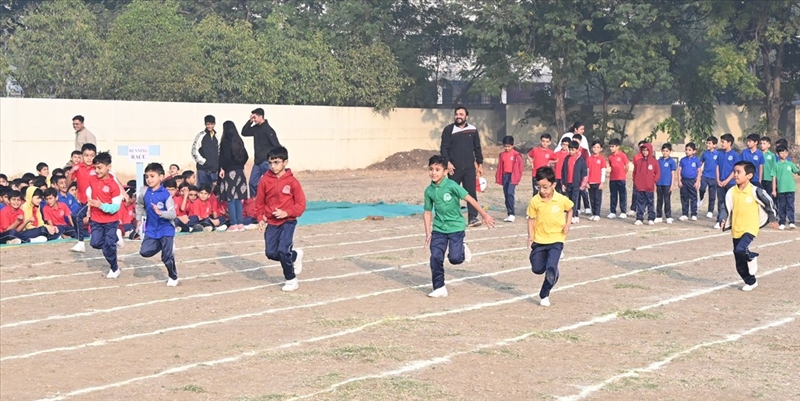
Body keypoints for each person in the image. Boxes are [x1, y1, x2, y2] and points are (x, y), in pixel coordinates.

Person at [423, 155, 495, 298]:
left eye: (437, 169)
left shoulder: (452, 186)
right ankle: (439, 287)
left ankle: (461, 247)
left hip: (456, 228)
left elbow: (470, 199)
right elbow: (427, 212)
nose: (433, 172)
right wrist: (428, 232)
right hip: (439, 229)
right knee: (435, 257)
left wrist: (484, 214)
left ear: (445, 172)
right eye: (431, 169)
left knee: (455, 259)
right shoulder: (429, 190)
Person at [718, 161, 778, 291]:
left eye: (738, 172)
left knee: (740, 249)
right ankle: (751, 281)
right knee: (739, 264)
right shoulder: (731, 191)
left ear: (749, 175)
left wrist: (772, 218)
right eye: (734, 172)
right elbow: (725, 207)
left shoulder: (755, 190)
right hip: (736, 229)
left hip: (750, 228)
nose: (735, 175)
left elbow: (769, 202)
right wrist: (722, 219)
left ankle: (751, 256)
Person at [254, 146, 306, 292]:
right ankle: (294, 256)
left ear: (285, 162)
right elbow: (259, 202)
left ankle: (291, 280)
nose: (273, 166)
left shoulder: (293, 182)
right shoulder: (265, 180)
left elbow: (301, 205)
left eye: (276, 162)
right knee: (271, 253)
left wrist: (287, 212)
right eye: (270, 163)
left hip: (288, 221)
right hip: (272, 222)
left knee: (283, 250)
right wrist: (260, 218)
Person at [527, 166, 573, 307]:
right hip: (539, 240)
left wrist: (567, 224)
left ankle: (544, 294)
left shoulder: (561, 199)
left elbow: (570, 209)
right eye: (539, 187)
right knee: (537, 269)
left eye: (545, 187)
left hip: (556, 239)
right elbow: (531, 219)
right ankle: (551, 269)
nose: (542, 190)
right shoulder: (535, 201)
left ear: (553, 185)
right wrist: (530, 236)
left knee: (551, 267)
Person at [136, 162, 179, 286]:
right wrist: (139, 219)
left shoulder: (166, 195)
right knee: (144, 252)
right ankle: (165, 246)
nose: (149, 179)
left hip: (166, 229)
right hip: (151, 229)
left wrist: (161, 213)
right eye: (147, 176)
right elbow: (139, 204)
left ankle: (173, 277)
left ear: (161, 177)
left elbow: (173, 214)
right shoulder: (144, 192)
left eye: (152, 176)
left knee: (166, 257)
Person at [440, 105, 484, 227]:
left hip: (469, 168)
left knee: (471, 193)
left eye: (461, 114)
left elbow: (477, 148)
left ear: (466, 116)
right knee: (453, 193)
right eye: (456, 114)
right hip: (454, 168)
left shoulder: (473, 130)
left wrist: (480, 163)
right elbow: (444, 148)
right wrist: (447, 163)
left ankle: (473, 217)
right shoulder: (449, 130)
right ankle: (452, 218)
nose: (458, 116)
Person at [86, 151, 124, 278]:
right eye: (95, 168)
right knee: (95, 243)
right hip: (96, 220)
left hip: (111, 221)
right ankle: (115, 238)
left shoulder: (114, 186)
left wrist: (101, 205)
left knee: (108, 246)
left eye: (99, 167)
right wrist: (89, 203)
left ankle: (114, 268)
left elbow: (115, 207)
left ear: (108, 167)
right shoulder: (92, 180)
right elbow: (89, 192)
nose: (97, 171)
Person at [242, 107, 282, 199]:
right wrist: (250, 121)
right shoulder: (256, 128)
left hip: (266, 162)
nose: (254, 119)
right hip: (257, 162)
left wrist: (274, 160)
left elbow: (276, 145)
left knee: (270, 183)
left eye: (255, 117)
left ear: (261, 117)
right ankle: (254, 201)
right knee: (252, 183)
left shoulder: (268, 130)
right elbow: (244, 132)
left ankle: (271, 200)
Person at [218, 121, 250, 232]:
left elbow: (224, 158)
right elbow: (246, 156)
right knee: (238, 198)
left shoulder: (225, 142)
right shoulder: (239, 141)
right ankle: (240, 223)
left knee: (230, 198)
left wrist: (223, 168)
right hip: (240, 172)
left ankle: (233, 223)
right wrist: (240, 164)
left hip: (230, 172)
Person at [69, 143, 97, 253]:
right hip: (82, 201)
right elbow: (68, 184)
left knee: (76, 216)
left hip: (93, 200)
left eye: (92, 155)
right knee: (79, 217)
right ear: (82, 156)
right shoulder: (78, 168)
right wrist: (71, 171)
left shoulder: (97, 168)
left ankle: (81, 242)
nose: (89, 158)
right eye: (86, 155)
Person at [715, 133, 741, 229]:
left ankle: (732, 220)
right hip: (720, 182)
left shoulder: (735, 155)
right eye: (721, 142)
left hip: (730, 183)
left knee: (731, 202)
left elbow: (735, 170)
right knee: (721, 202)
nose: (721, 144)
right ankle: (719, 220)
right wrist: (718, 179)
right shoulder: (720, 154)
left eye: (723, 142)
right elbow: (717, 167)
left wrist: (727, 180)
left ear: (729, 143)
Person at [495, 136, 523, 222]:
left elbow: (520, 167)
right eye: (505, 146)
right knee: (506, 195)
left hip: (513, 175)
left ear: (512, 145)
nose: (507, 148)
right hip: (505, 176)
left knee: (510, 193)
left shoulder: (516, 155)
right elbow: (500, 167)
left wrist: (517, 177)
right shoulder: (502, 155)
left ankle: (512, 213)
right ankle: (509, 213)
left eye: (509, 146)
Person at [633, 143, 660, 225]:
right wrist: (636, 181)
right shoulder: (638, 161)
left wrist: (653, 181)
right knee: (640, 203)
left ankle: (651, 218)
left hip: (649, 187)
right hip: (640, 186)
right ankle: (639, 218)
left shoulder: (654, 162)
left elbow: (658, 173)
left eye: (646, 150)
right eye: (643, 150)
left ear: (650, 151)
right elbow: (635, 172)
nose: (645, 152)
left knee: (650, 203)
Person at [561, 141, 587, 224]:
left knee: (574, 200)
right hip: (567, 183)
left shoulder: (580, 160)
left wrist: (583, 184)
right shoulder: (566, 159)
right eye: (570, 149)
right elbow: (563, 171)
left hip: (576, 183)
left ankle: (573, 215)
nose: (571, 151)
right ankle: (574, 215)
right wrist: (563, 183)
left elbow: (584, 173)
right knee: (569, 200)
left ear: (577, 150)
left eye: (573, 150)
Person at [773, 145, 799, 230]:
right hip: (781, 189)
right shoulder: (776, 165)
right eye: (781, 152)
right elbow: (774, 178)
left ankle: (791, 222)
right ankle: (782, 222)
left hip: (790, 189)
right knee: (782, 206)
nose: (783, 154)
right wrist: (774, 189)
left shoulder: (790, 164)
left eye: (785, 152)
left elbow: (797, 171)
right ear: (777, 154)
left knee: (790, 205)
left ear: (787, 153)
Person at [191, 115, 220, 188]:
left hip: (214, 169)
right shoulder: (201, 135)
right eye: (208, 124)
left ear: (214, 124)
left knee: (213, 190)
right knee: (202, 189)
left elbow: (219, 151)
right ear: (205, 124)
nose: (210, 126)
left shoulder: (216, 136)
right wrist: (204, 162)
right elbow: (194, 150)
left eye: (211, 124)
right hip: (203, 169)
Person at [606, 138, 629, 219]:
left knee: (622, 195)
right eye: (610, 146)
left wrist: (623, 174)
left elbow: (627, 166)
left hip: (621, 179)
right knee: (613, 195)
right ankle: (613, 211)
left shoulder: (622, 155)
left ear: (617, 147)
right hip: (612, 179)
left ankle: (623, 211)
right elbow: (610, 166)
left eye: (612, 146)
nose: (611, 148)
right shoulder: (610, 157)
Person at [677, 142, 700, 221]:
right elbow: (679, 170)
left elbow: (699, 171)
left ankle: (694, 214)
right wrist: (679, 181)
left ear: (694, 151)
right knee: (684, 197)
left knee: (693, 198)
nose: (687, 151)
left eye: (689, 150)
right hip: (684, 181)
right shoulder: (683, 160)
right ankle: (685, 214)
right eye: (686, 149)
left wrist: (697, 182)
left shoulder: (696, 160)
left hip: (692, 181)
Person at [698, 136, 719, 219]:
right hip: (705, 175)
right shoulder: (705, 153)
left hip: (714, 177)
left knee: (712, 195)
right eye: (707, 143)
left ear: (714, 145)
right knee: (702, 188)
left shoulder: (718, 154)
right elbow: (700, 162)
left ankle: (710, 211)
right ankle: (701, 198)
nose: (707, 144)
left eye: (709, 143)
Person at [655, 143, 677, 224]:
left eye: (667, 151)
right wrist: (655, 183)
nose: (665, 152)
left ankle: (668, 216)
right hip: (659, 183)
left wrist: (672, 184)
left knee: (667, 200)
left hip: (667, 184)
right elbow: (656, 172)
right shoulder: (659, 161)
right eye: (663, 151)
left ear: (670, 151)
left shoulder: (671, 162)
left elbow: (673, 174)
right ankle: (659, 216)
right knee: (659, 200)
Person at [586, 140, 606, 221]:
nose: (596, 149)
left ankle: (597, 214)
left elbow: (603, 171)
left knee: (597, 199)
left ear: (601, 149)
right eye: (594, 147)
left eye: (598, 147)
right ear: (591, 148)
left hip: (598, 182)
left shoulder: (602, 159)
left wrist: (602, 182)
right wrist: (586, 181)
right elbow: (587, 171)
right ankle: (594, 213)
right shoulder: (589, 158)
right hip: (590, 182)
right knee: (592, 199)